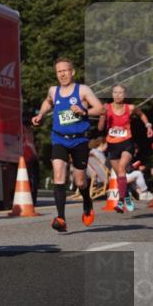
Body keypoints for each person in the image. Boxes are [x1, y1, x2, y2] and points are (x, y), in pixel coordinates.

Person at [31, 57, 104, 232]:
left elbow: (101, 109)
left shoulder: (82, 90)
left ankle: (87, 202)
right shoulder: (53, 91)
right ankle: (61, 218)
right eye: (59, 71)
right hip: (59, 138)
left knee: (80, 181)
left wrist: (84, 111)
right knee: (58, 174)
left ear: (72, 72)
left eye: (65, 70)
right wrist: (41, 114)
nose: (62, 74)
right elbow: (48, 102)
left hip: (79, 139)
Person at [97, 84, 152, 213]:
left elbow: (142, 115)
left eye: (120, 93)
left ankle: (120, 202)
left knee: (122, 168)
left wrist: (148, 126)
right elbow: (100, 128)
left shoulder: (131, 108)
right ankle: (126, 196)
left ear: (125, 95)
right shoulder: (106, 107)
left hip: (127, 143)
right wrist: (103, 116)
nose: (117, 95)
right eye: (115, 92)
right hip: (112, 145)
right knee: (121, 175)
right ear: (112, 94)